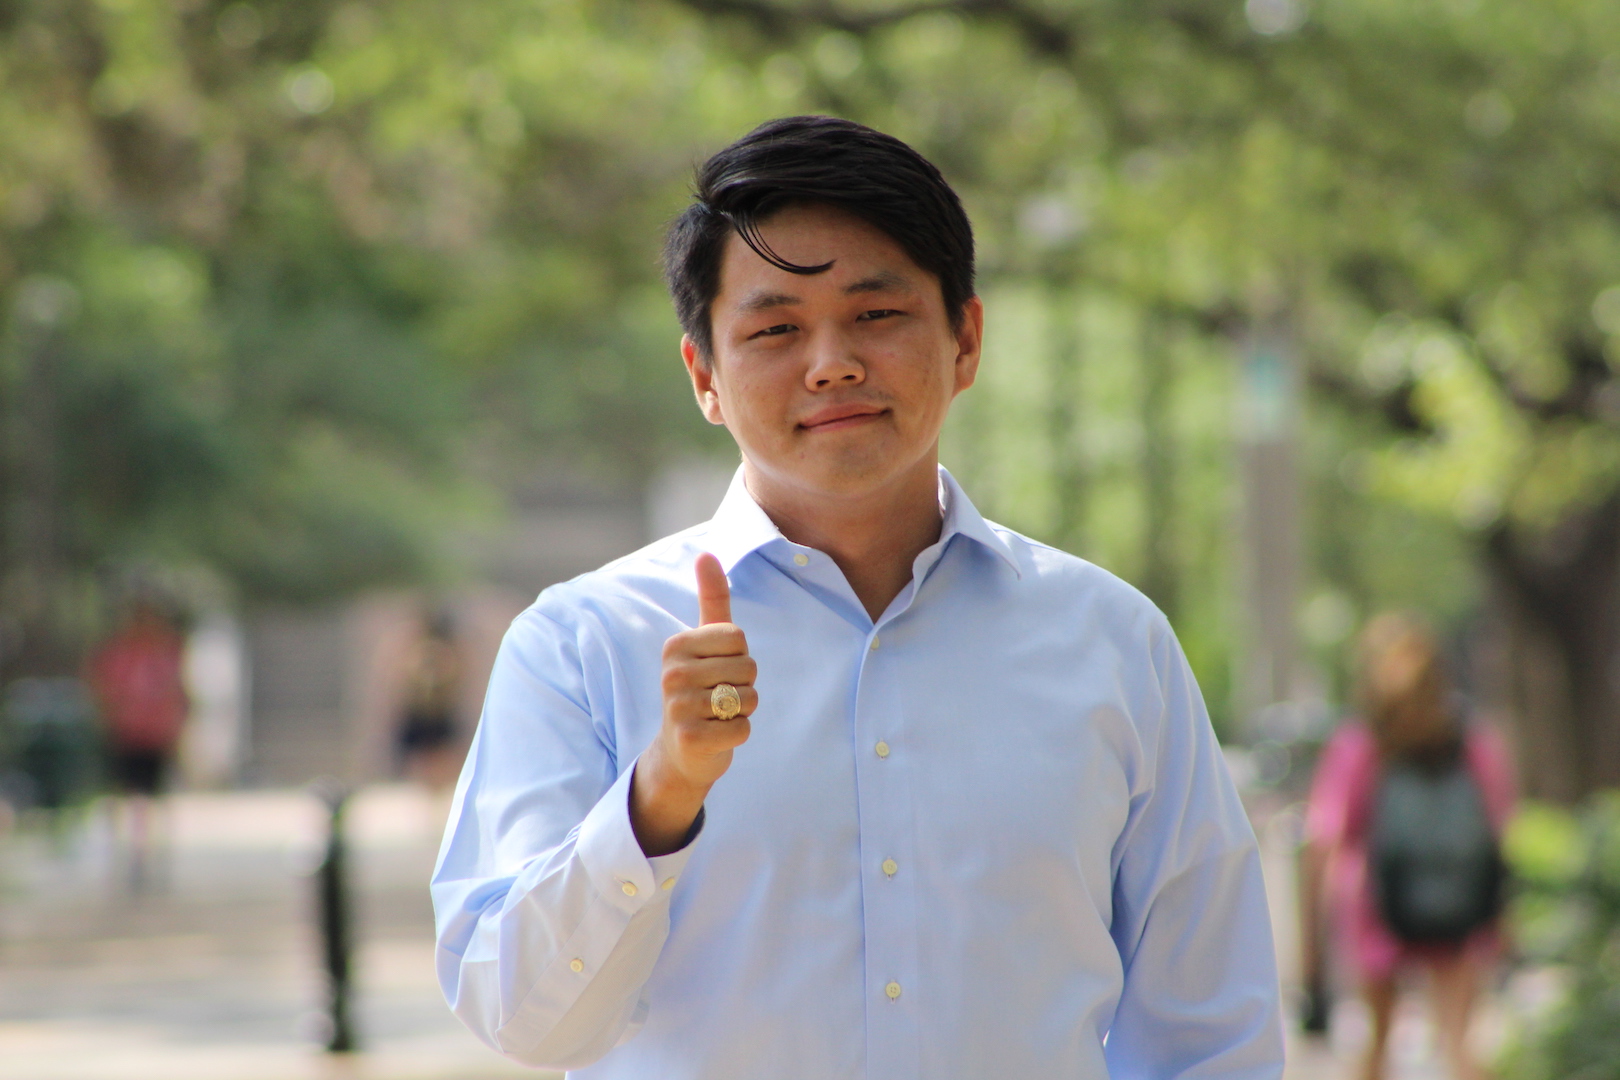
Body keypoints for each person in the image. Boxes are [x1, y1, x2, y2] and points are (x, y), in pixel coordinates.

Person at [432, 116, 1282, 1078]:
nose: (830, 361)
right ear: (704, 375)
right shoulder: (582, 645)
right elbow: (521, 1021)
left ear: (964, 339)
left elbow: (1210, 1031)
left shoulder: (1113, 643)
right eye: (774, 328)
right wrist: (660, 796)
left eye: (876, 315)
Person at [1300, 613, 1515, 1080]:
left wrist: (1311, 950)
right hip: (1461, 904)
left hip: (1376, 905)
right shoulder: (1470, 740)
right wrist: (1504, 918)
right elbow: (1499, 826)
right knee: (1460, 1044)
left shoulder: (1358, 744)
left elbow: (1326, 837)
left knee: (1376, 1047)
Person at [88, 597, 188, 889]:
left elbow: (177, 691)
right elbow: (103, 691)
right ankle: (125, 854)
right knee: (124, 796)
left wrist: (176, 727)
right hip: (126, 735)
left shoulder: (168, 652)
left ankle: (149, 855)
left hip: (157, 735)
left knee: (153, 797)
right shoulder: (117, 654)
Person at [397, 610, 465, 789]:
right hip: (423, 710)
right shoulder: (423, 651)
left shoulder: (444, 652)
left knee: (440, 757)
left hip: (437, 710)